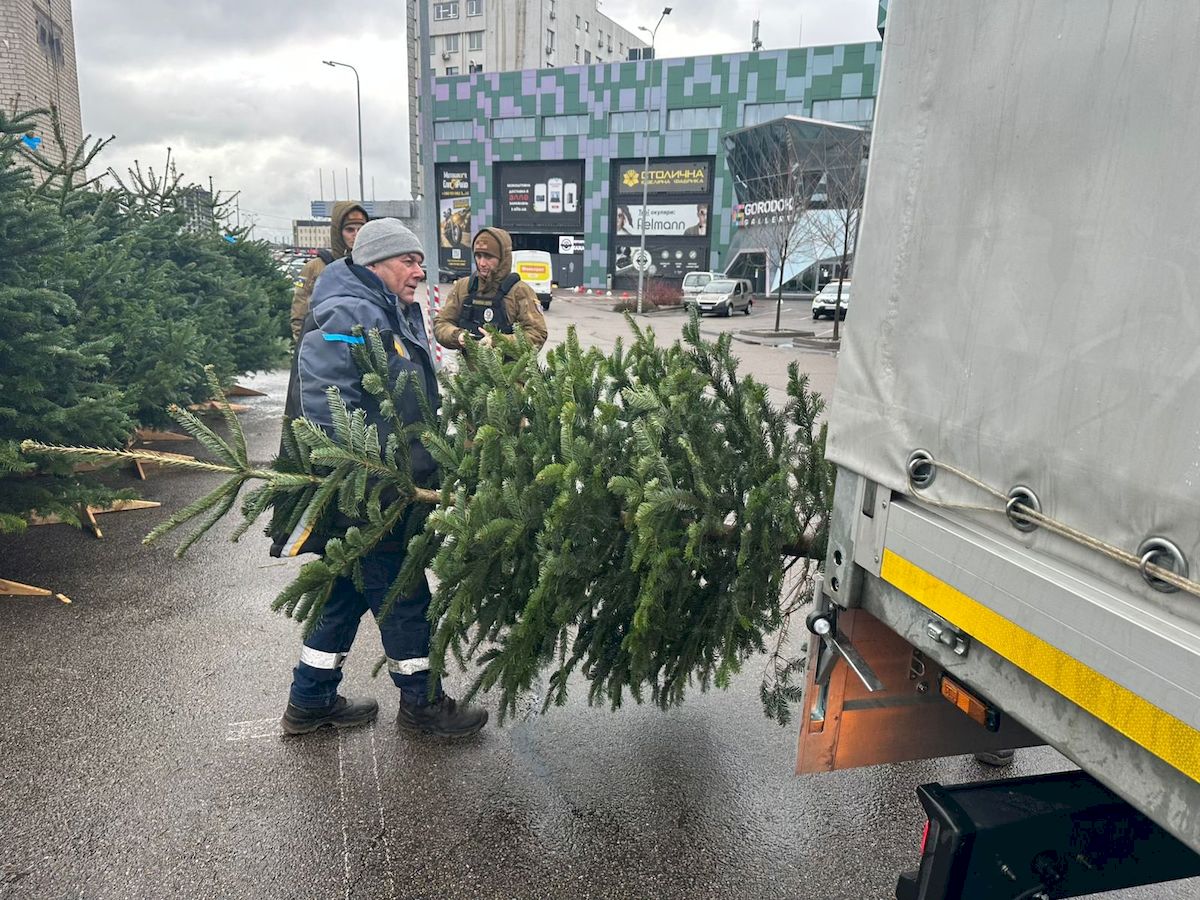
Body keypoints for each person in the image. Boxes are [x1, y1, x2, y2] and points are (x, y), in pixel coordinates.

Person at [279, 217, 489, 739]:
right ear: (375, 263)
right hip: (370, 489)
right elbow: (327, 402)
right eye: (408, 261)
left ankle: (310, 700)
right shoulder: (347, 309)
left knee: (347, 592)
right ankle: (423, 705)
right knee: (401, 590)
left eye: (420, 260)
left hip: (392, 480)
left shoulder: (391, 307)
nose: (419, 270)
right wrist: (368, 473)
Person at [433, 227, 548, 352]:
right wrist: (457, 336)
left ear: (502, 258)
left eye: (488, 257)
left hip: (509, 370)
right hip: (469, 370)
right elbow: (441, 323)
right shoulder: (463, 287)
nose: (482, 263)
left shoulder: (519, 291)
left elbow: (537, 334)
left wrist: (498, 341)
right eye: (478, 256)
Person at [289, 202, 369, 342]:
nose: (356, 235)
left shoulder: (370, 266)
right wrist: (304, 346)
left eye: (361, 229)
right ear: (338, 232)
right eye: (350, 230)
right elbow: (299, 312)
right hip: (325, 346)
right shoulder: (314, 268)